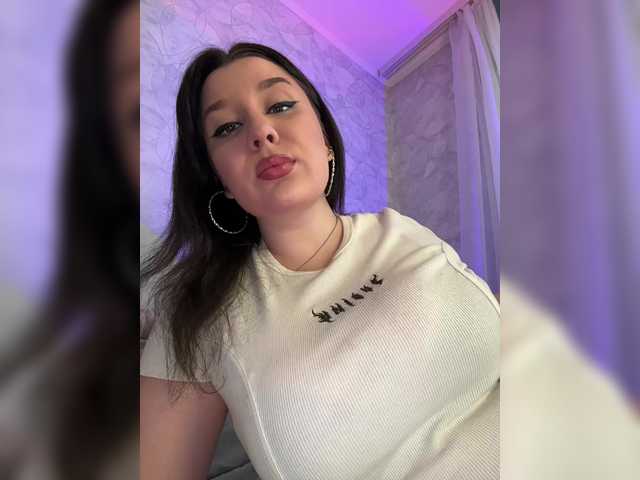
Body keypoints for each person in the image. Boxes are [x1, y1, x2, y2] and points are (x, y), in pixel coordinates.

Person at [140, 43, 499, 480]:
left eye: (280, 106)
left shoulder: (403, 230)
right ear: (222, 181)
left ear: (326, 140)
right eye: (228, 128)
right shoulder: (199, 314)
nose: (261, 132)